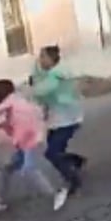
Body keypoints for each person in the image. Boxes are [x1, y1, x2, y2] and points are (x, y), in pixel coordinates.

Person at [0, 79, 69, 217]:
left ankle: (57, 192)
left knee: (28, 169)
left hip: (31, 142)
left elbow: (30, 123)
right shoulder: (14, 104)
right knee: (4, 169)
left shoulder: (15, 106)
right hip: (24, 143)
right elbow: (5, 122)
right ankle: (0, 202)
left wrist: (35, 139)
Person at [30, 45, 86, 194]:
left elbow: (41, 91)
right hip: (62, 118)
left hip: (66, 120)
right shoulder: (58, 71)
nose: (40, 60)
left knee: (52, 153)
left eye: (43, 57)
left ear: (50, 58)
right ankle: (76, 161)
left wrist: (29, 91)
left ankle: (74, 179)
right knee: (56, 150)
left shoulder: (56, 74)